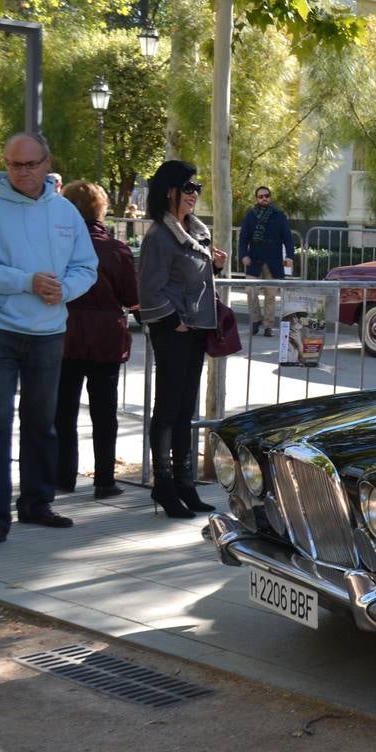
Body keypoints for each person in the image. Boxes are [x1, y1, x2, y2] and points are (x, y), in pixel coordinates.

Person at [0, 133, 98, 545]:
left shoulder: (65, 211)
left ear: (47, 161)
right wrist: (26, 282)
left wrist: (64, 290)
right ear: (5, 163)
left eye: (31, 164)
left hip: (49, 333)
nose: (22, 172)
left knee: (41, 422)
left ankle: (37, 503)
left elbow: (86, 267)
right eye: (15, 164)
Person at [138, 160, 227, 520]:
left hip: (196, 329)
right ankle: (164, 484)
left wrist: (216, 267)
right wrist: (173, 320)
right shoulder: (160, 235)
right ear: (169, 190)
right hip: (174, 330)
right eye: (188, 187)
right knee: (168, 408)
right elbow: (148, 288)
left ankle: (185, 484)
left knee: (186, 409)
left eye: (197, 188)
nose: (194, 194)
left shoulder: (196, 231)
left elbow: (192, 279)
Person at [56, 181, 138, 502]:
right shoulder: (117, 250)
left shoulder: (58, 249)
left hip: (66, 334)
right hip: (106, 338)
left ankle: (63, 477)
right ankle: (104, 480)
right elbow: (131, 298)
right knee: (105, 414)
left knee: (64, 411)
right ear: (100, 208)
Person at [238, 185, 296, 338]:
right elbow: (243, 239)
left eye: (267, 195)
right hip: (254, 260)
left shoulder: (279, 215)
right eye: (260, 196)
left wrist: (289, 256)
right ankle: (255, 320)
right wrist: (244, 255)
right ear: (256, 199)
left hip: (274, 261)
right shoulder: (251, 215)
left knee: (270, 295)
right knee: (251, 291)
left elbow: (288, 238)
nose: (264, 198)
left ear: (270, 197)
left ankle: (268, 326)